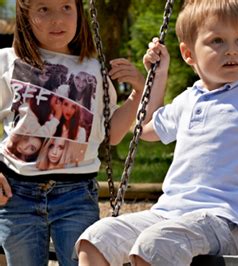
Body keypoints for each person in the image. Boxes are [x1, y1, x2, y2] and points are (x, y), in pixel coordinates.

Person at [76, 0, 238, 265]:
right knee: (95, 238)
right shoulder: (188, 99)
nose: (231, 50)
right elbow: (145, 129)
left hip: (223, 222)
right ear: (189, 54)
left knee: (155, 245)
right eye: (217, 41)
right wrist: (159, 75)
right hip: (168, 214)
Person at [0, 0, 147, 265]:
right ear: (25, 15)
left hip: (76, 194)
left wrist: (138, 93)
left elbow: (111, 134)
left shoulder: (93, 69)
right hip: (17, 193)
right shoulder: (8, 62)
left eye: (66, 7)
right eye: (44, 9)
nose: (58, 19)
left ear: (80, 12)